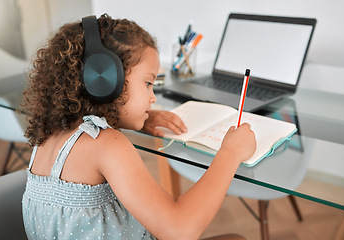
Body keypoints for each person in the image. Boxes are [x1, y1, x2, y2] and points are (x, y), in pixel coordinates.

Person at [21, 14, 256, 240]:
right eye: (148, 83)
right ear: (105, 79)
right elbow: (180, 231)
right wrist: (230, 153)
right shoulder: (107, 145)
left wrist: (127, 119)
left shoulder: (49, 134)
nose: (152, 98)